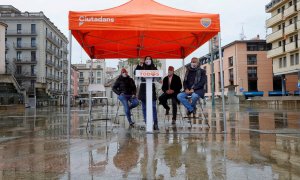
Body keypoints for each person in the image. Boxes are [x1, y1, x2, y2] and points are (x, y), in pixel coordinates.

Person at [134, 56, 159, 130]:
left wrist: (159, 80)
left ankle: (155, 123)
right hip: (143, 89)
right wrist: (139, 64)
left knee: (153, 107)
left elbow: (158, 76)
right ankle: (147, 122)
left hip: (151, 89)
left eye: (149, 59)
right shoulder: (141, 67)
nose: (148, 60)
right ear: (144, 60)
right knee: (144, 108)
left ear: (151, 60)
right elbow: (135, 72)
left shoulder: (154, 68)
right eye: (146, 59)